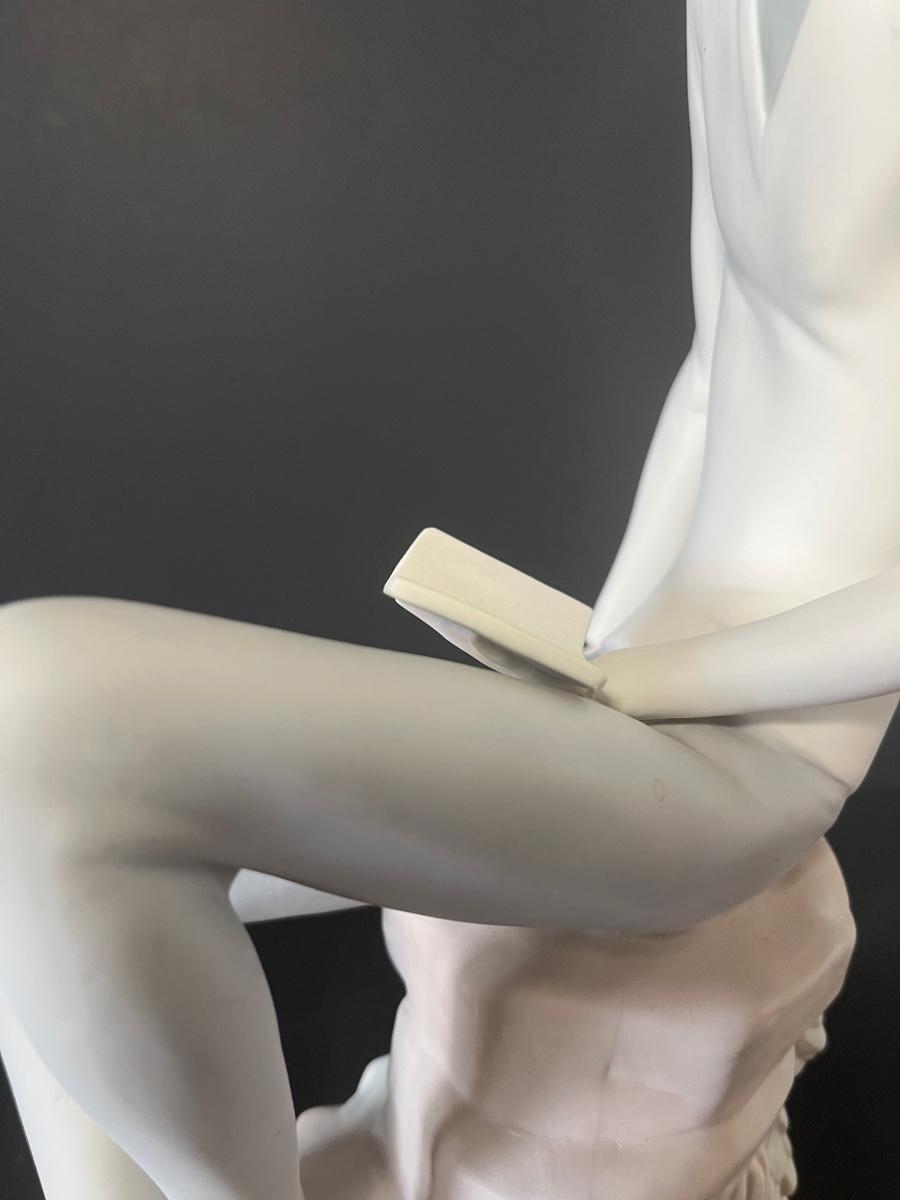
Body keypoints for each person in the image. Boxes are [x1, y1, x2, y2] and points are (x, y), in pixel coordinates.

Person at [1, 1, 898, 1197]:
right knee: (35, 819)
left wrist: (661, 679)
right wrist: (598, 647)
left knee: (42, 720)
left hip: (756, 756)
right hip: (634, 691)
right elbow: (716, 368)